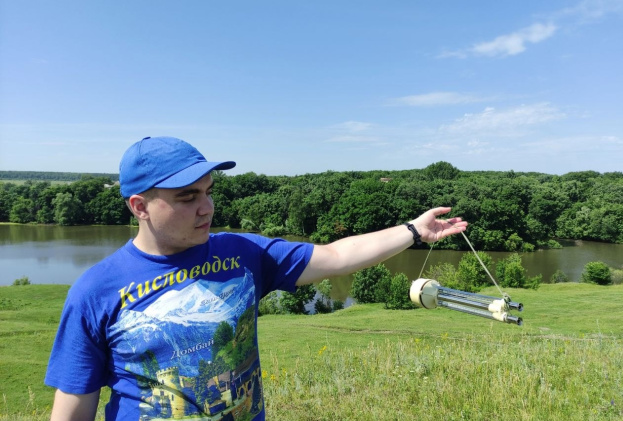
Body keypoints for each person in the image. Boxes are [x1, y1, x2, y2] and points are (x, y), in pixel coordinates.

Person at [45, 136, 467, 421]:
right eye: (187, 197)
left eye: (209, 191)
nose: (206, 207)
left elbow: (338, 256)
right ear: (140, 206)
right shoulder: (96, 290)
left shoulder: (241, 254)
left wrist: (413, 231)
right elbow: (74, 405)